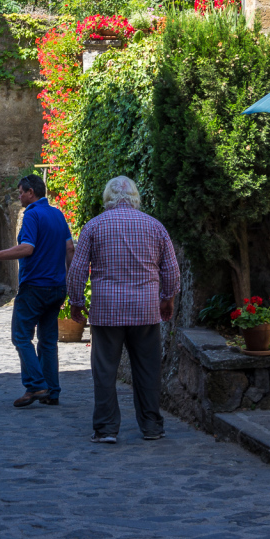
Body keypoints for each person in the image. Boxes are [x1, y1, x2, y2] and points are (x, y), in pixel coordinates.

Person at [66, 175, 180, 444]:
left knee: (105, 369)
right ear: (135, 198)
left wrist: (76, 303)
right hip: (145, 310)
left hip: (107, 310)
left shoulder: (94, 227)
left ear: (108, 199)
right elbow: (171, 271)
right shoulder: (155, 226)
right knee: (148, 369)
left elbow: (77, 271)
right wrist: (167, 299)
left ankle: (106, 429)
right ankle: (152, 426)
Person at [0, 173, 74, 407]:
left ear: (32, 192)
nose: (19, 196)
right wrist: (69, 280)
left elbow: (27, 249)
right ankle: (51, 391)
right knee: (48, 341)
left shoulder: (32, 215)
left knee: (21, 336)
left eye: (21, 192)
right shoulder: (58, 214)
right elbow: (69, 249)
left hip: (35, 287)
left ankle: (36, 384)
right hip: (57, 287)